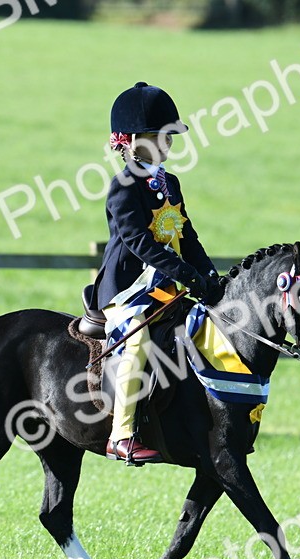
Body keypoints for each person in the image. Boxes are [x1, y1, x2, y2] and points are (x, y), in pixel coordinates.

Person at [92, 81, 224, 465]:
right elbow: (138, 242)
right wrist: (185, 274)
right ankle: (122, 435)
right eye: (161, 136)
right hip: (128, 289)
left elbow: (186, 233)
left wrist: (208, 274)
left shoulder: (170, 183)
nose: (168, 143)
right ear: (132, 141)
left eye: (170, 136)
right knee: (137, 341)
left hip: (168, 282)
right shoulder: (123, 187)